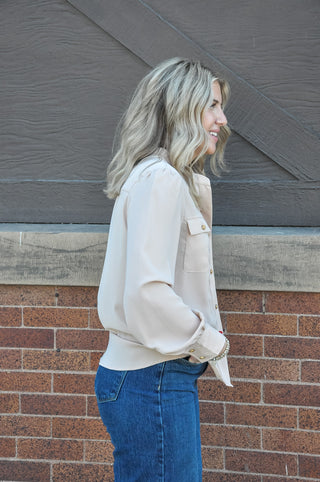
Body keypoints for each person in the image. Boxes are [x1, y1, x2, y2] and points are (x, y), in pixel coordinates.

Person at [95, 57, 232, 481]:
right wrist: (210, 341)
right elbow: (148, 292)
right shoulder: (162, 179)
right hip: (152, 377)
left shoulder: (164, 176)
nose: (221, 120)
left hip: (149, 378)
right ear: (182, 108)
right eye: (212, 106)